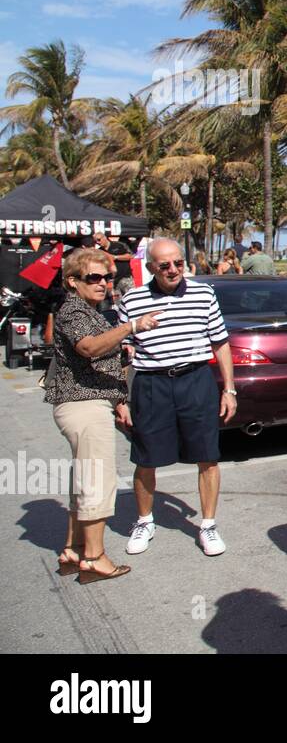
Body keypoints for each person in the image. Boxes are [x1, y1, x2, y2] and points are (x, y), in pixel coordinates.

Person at [46, 247, 163, 583]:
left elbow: (99, 356)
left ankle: (74, 548)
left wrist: (118, 399)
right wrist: (131, 327)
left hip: (92, 403)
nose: (102, 283)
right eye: (93, 277)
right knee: (97, 481)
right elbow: (89, 348)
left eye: (107, 277)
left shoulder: (91, 310)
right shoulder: (73, 311)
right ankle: (95, 557)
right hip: (83, 406)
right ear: (72, 281)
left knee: (84, 481)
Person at [117, 238, 238, 557]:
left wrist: (229, 389)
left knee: (207, 455)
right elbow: (121, 353)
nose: (173, 270)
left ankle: (208, 525)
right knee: (146, 458)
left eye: (178, 263)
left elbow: (220, 343)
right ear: (150, 268)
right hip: (151, 384)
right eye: (165, 265)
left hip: (196, 380)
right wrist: (121, 399)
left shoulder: (203, 292)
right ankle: (144, 520)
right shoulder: (132, 299)